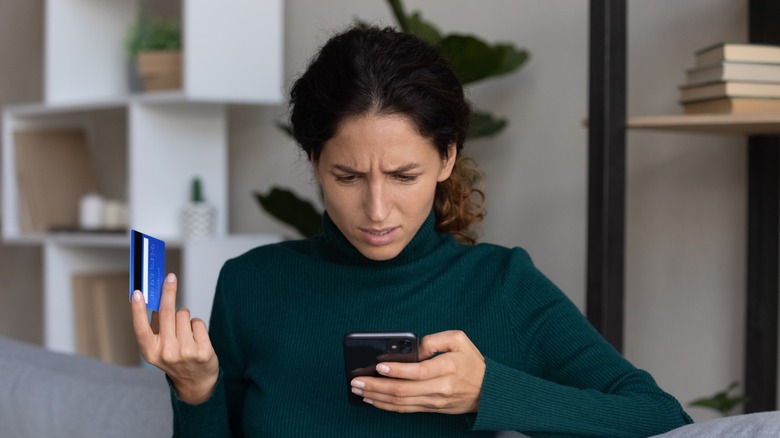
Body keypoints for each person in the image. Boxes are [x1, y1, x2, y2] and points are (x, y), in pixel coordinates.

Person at [131, 25, 692, 437]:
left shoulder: (500, 285)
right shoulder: (251, 284)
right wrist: (196, 390)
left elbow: (661, 418)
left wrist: (486, 391)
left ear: (447, 158)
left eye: (404, 175)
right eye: (348, 176)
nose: (377, 210)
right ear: (313, 161)